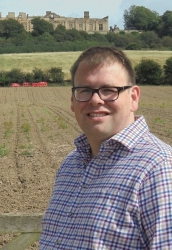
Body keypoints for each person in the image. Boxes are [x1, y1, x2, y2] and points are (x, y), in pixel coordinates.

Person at [40, 46, 172, 249]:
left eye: (109, 90)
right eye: (84, 90)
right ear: (73, 101)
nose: (95, 100)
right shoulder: (70, 164)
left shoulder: (159, 169)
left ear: (134, 98)